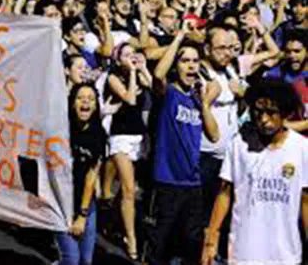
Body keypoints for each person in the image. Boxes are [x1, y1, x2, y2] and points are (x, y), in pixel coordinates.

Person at [202, 79, 308, 265]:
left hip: (285, 254)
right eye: (258, 112)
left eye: (271, 112)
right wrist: (211, 238)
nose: (263, 119)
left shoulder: (302, 149)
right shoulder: (239, 144)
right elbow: (224, 193)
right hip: (243, 252)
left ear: (285, 113)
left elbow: (306, 202)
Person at [144, 25, 221, 264]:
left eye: (195, 61)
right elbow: (157, 74)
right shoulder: (168, 94)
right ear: (176, 66)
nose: (191, 65)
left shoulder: (197, 99)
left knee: (190, 247)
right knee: (158, 247)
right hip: (167, 182)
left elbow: (215, 136)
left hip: (193, 183)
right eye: (185, 61)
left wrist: (205, 104)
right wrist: (179, 37)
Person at [104, 42, 152, 260]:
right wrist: (132, 73)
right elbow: (131, 99)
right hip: (120, 136)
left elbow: (152, 85)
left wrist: (142, 68)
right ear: (117, 59)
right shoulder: (113, 77)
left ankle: (112, 220)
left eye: (133, 54)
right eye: (125, 55)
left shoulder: (138, 73)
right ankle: (131, 238)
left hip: (139, 137)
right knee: (130, 189)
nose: (130, 57)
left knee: (127, 189)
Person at [56, 83, 105, 265]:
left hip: (86, 203)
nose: (85, 102)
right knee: (71, 259)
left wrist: (83, 216)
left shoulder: (99, 134)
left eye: (91, 99)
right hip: (61, 203)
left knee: (85, 260)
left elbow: (92, 176)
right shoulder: (59, 129)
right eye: (80, 98)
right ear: (72, 103)